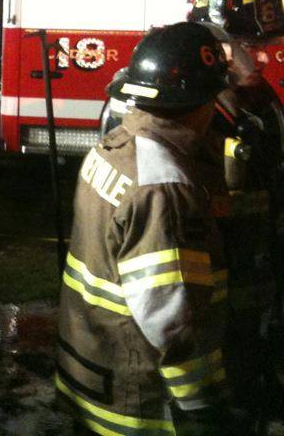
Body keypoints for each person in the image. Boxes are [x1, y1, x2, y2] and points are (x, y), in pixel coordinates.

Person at [56, 22, 232, 435]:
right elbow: (171, 317)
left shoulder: (116, 146)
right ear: (203, 101)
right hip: (138, 400)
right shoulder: (164, 186)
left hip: (91, 373)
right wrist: (203, 406)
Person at [187, 0, 284, 428]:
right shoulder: (199, 101)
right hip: (219, 247)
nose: (253, 54)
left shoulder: (247, 94)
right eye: (240, 43)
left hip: (254, 243)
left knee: (252, 332)